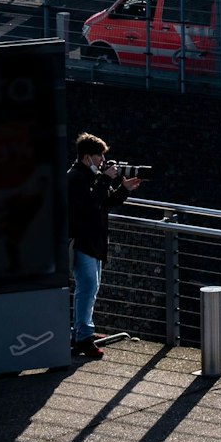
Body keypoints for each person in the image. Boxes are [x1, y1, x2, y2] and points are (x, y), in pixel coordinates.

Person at [67, 133, 141, 360]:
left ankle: (82, 332)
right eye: (100, 156)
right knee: (87, 288)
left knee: (91, 289)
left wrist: (124, 189)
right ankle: (83, 338)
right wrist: (107, 179)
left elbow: (105, 203)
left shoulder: (92, 177)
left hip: (94, 242)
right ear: (87, 156)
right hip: (82, 242)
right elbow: (90, 205)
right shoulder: (75, 178)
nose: (102, 160)